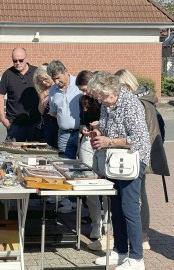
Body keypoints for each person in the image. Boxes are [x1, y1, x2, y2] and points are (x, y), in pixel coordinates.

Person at [88, 71, 150, 270]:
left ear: (113, 90)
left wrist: (110, 141)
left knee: (129, 208)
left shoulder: (131, 104)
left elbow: (138, 138)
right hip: (114, 161)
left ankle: (137, 258)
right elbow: (106, 128)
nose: (101, 100)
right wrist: (98, 133)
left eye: (102, 96)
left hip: (132, 160)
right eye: (98, 97)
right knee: (115, 207)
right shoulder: (108, 104)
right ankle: (120, 250)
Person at [115, 69, 170, 250]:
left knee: (137, 195)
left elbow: (141, 133)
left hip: (138, 154)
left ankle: (142, 234)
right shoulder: (146, 101)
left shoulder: (138, 103)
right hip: (144, 153)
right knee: (139, 194)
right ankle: (142, 233)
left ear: (128, 86)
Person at [75, 70, 109, 249]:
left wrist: (100, 125)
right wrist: (83, 128)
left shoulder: (103, 98)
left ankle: (107, 222)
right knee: (89, 184)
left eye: (85, 89)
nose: (84, 93)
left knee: (106, 184)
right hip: (88, 142)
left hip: (104, 143)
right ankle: (96, 223)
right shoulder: (83, 100)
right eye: (81, 90)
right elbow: (82, 120)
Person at [0, 48, 41, 142]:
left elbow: (45, 92)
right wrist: (2, 118)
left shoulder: (37, 72)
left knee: (35, 153)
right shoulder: (8, 74)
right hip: (14, 124)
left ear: (26, 59)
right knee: (13, 154)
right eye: (14, 61)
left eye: (21, 60)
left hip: (35, 122)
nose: (18, 63)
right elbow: (0, 96)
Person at [47, 60, 82, 159]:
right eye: (54, 79)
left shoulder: (78, 84)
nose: (56, 82)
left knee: (83, 165)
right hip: (63, 135)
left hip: (80, 133)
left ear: (66, 71)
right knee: (64, 164)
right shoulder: (53, 90)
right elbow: (53, 112)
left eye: (58, 78)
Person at [33, 64, 59, 148]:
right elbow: (41, 111)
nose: (44, 83)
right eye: (41, 81)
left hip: (58, 124)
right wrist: (41, 99)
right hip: (47, 125)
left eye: (45, 79)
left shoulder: (58, 88)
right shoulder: (43, 90)